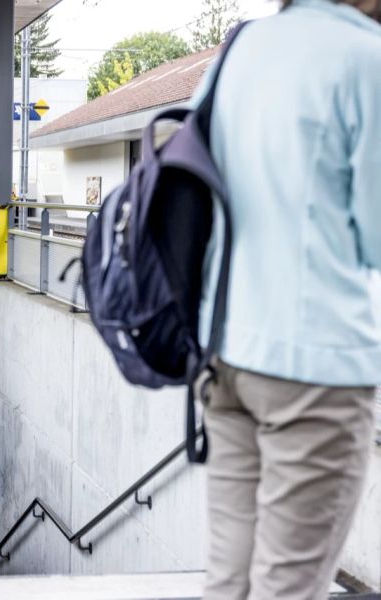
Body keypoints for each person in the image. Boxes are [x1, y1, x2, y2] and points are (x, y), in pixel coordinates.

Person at [193, 1, 381, 598]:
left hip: (226, 357)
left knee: (232, 581)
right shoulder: (365, 58)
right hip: (316, 366)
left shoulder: (238, 51)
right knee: (289, 586)